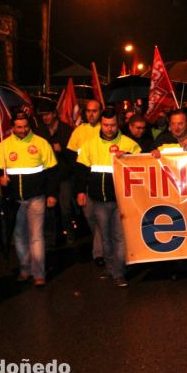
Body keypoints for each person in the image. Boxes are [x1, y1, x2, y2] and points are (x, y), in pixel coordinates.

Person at [0, 111, 58, 287]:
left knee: (36, 236)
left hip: (36, 198)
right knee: (19, 236)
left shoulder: (41, 144)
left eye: (25, 126)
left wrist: (51, 194)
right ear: (12, 127)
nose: (22, 130)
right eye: (18, 127)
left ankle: (38, 274)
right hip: (14, 201)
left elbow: (52, 172)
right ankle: (25, 269)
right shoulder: (3, 146)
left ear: (30, 126)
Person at [74, 107, 141, 287]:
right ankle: (111, 268)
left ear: (118, 124)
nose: (109, 129)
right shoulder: (90, 144)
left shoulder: (129, 143)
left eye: (112, 125)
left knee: (119, 237)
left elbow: (142, 166)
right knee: (105, 237)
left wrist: (127, 157)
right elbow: (81, 171)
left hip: (121, 201)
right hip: (99, 200)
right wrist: (80, 192)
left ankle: (119, 273)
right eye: (105, 125)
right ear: (101, 125)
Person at [151, 109, 187, 279]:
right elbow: (147, 163)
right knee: (179, 227)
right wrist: (152, 155)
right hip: (173, 193)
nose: (176, 127)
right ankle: (181, 264)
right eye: (173, 124)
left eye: (180, 123)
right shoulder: (162, 140)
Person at [66, 99, 105, 266]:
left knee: (102, 217)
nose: (91, 114)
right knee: (90, 216)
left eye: (94, 111)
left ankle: (99, 253)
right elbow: (71, 158)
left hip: (102, 180)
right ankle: (102, 243)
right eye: (88, 111)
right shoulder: (78, 132)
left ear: (100, 111)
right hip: (85, 181)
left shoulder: (107, 128)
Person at [34, 102, 74, 245]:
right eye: (42, 115)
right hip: (47, 176)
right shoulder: (39, 132)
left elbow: (74, 155)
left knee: (65, 207)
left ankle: (69, 232)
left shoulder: (67, 130)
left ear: (54, 114)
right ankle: (51, 237)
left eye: (47, 114)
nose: (45, 117)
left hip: (63, 176)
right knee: (49, 208)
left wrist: (61, 150)